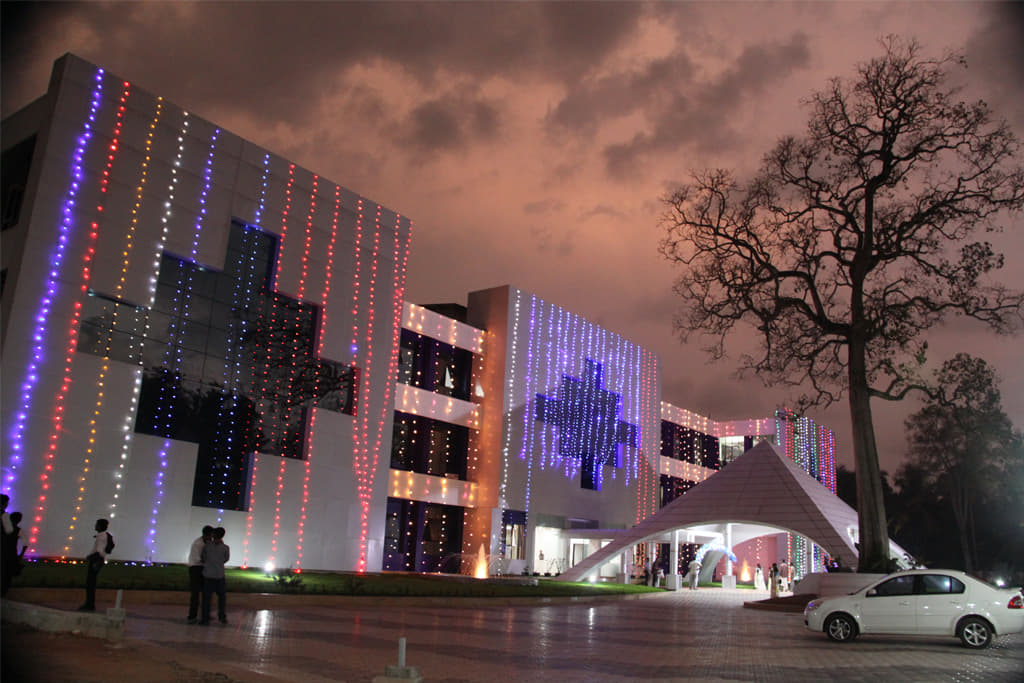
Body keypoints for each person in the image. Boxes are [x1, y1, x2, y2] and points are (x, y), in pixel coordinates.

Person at [200, 526, 230, 625]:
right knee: (222, 597)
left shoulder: (207, 546)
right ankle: (222, 617)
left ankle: (205, 618)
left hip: (208, 575)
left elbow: (203, 557)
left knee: (206, 598)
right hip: (219, 575)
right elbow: (226, 559)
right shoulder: (225, 548)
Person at [79, 519, 111, 611]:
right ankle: (89, 604)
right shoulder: (103, 536)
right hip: (98, 560)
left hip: (96, 561)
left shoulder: (101, 537)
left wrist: (90, 557)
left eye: (96, 524)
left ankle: (89, 605)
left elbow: (99, 551)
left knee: (90, 584)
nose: (95, 526)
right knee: (91, 583)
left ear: (100, 526)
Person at [187, 525, 214, 623]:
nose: (211, 538)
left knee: (205, 593)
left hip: (201, 568)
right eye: (211, 535)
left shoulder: (205, 542)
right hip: (196, 568)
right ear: (206, 535)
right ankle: (192, 616)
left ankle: (203, 615)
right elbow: (200, 559)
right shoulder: (198, 544)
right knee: (196, 593)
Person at [3, 509, 27, 596]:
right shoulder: (18, 530)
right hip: (11, 553)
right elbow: (25, 543)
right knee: (7, 574)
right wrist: (21, 554)